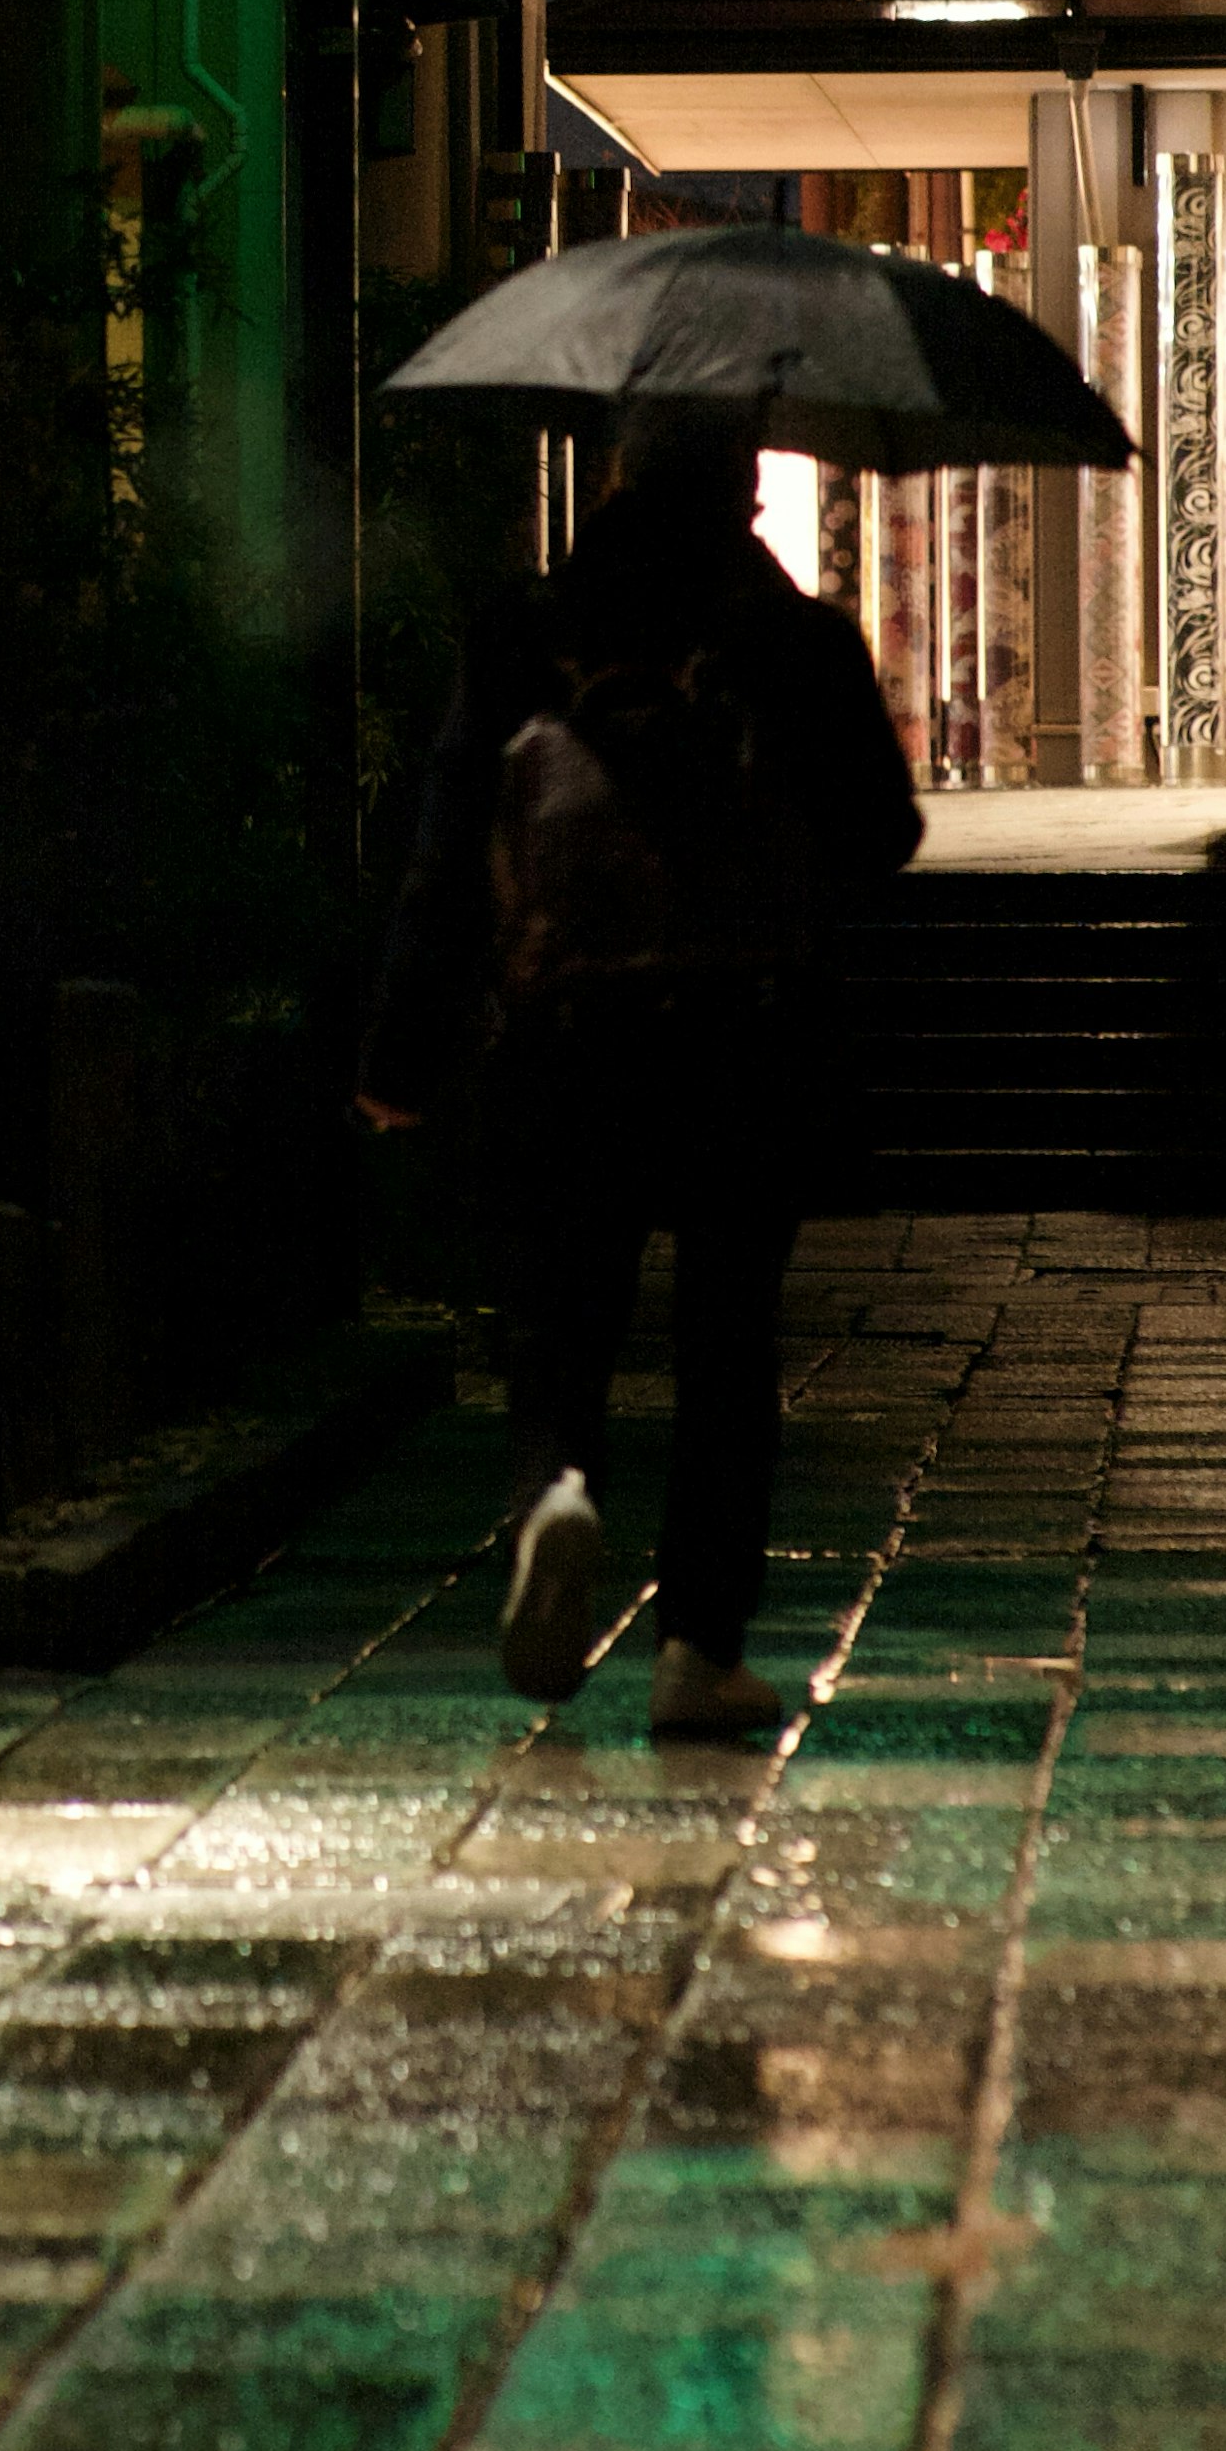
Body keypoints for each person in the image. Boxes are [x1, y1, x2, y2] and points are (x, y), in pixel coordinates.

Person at [358, 404, 919, 1740]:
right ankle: (697, 1649)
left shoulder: (524, 632)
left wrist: (400, 1052)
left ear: (612, 471)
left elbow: (448, 851)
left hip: (566, 1032)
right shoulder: (791, 637)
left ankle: (557, 1483)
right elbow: (882, 832)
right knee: (730, 1340)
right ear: (743, 484)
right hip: (744, 1031)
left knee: (562, 1307)